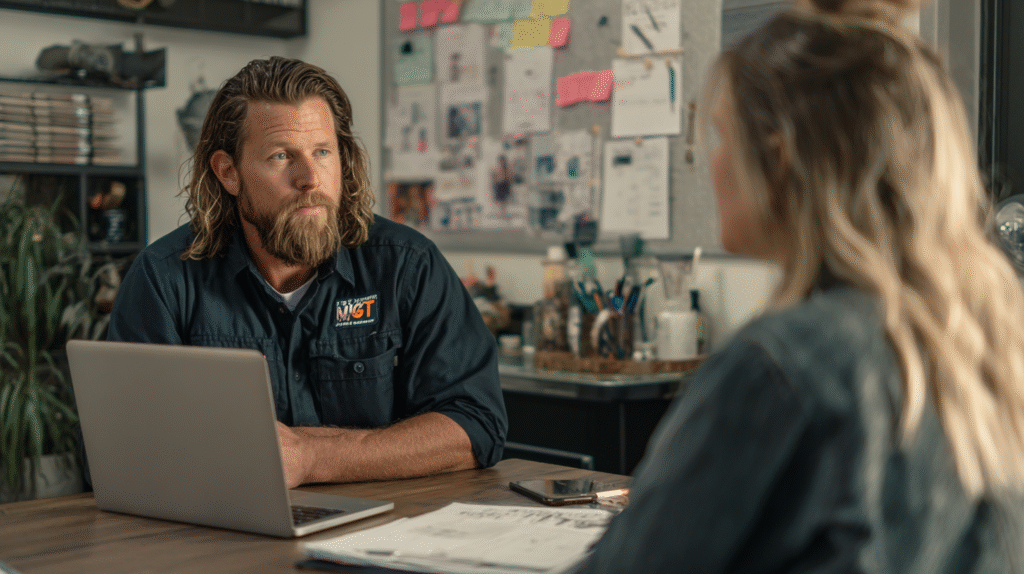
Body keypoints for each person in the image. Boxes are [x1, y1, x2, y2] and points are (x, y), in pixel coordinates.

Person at [574, 1, 1024, 572]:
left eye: (719, 136)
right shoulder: (984, 341)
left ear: (778, 159)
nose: (710, 165)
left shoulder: (778, 365)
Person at [106, 57, 507, 488]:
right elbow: (114, 449)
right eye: (281, 156)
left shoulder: (408, 267)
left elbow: (475, 424)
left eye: (322, 152)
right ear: (228, 172)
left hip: (388, 534)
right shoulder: (164, 280)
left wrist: (313, 457)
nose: (310, 178)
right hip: (224, 537)